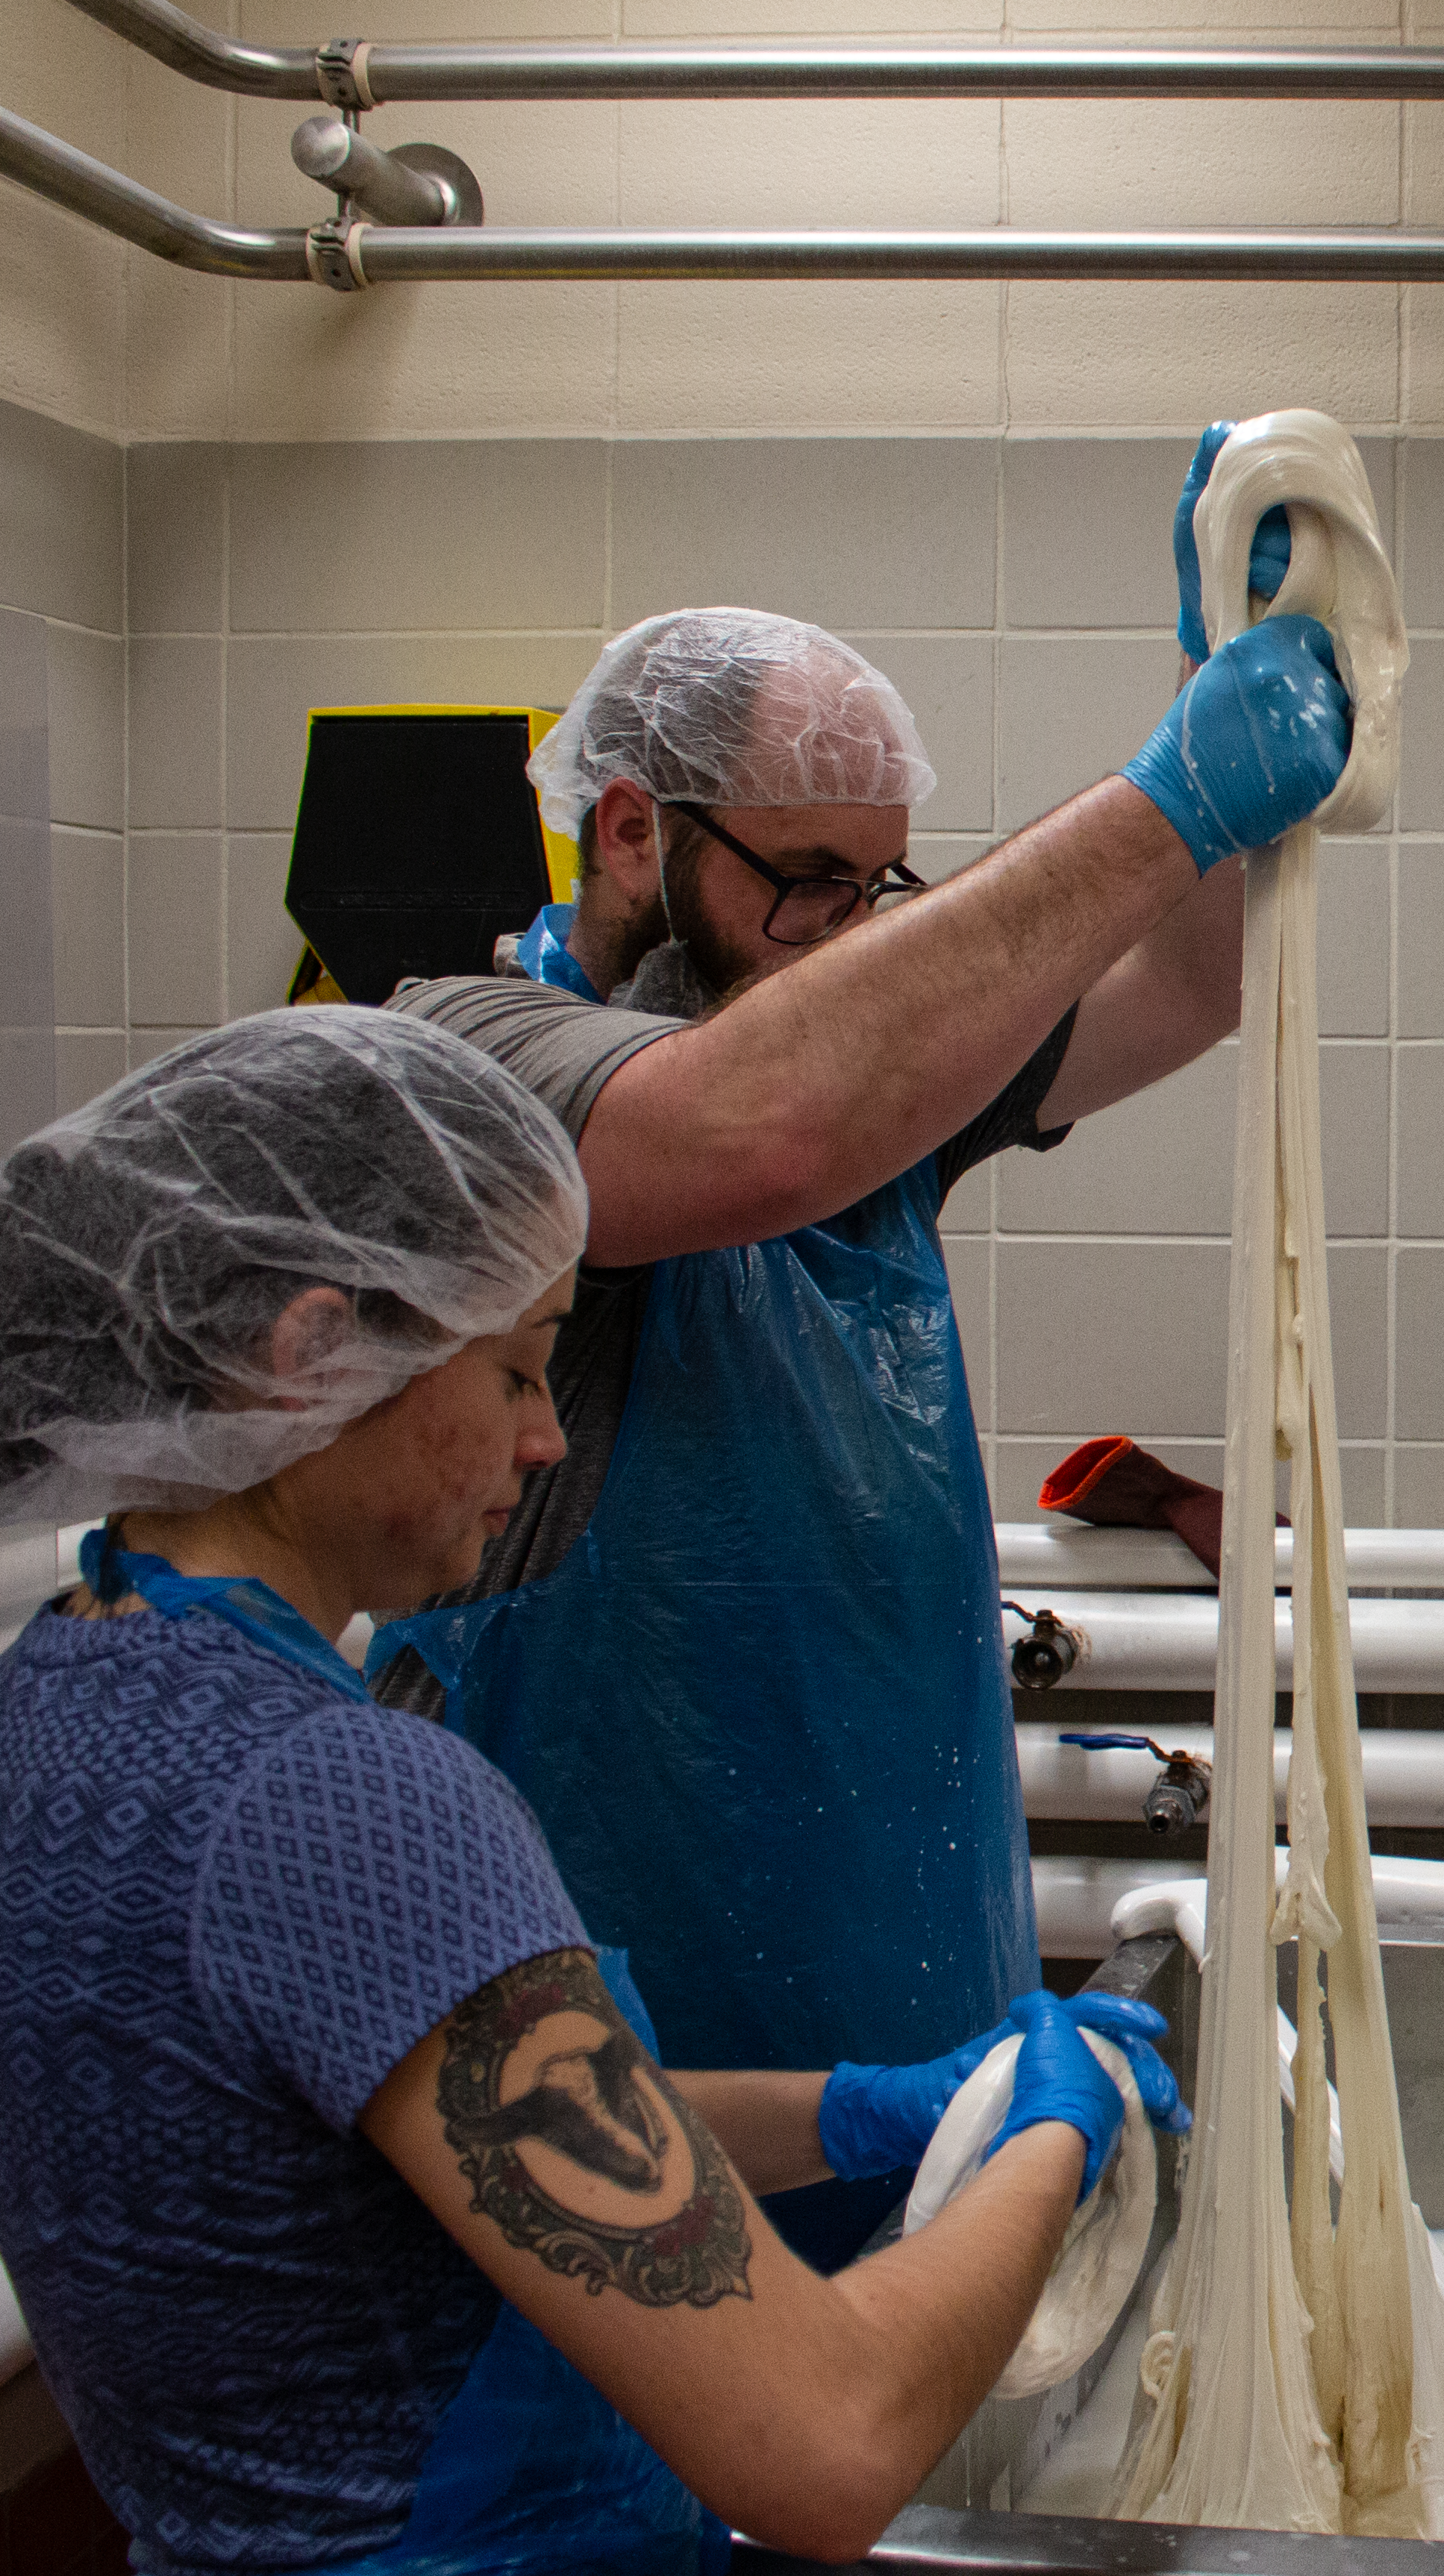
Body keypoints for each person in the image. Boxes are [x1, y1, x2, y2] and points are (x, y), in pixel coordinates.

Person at [0, 1009, 1185, 2574]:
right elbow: (827, 2445)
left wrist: (866, 2118)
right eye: (511, 1370)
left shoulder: (19, 1732)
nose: (548, 1434)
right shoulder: (345, 1799)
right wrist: (1056, 2127)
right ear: (311, 1356)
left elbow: (467, 2131)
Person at [372, 433, 1343, 2269]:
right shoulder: (467, 1058)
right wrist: (1159, 798)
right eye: (801, 877)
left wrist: (1223, 696)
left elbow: (1189, 991)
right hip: (604, 1976)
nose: (837, 932)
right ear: (635, 827)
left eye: (874, 887)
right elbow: (746, 1136)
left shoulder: (871, 1092)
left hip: (905, 1932)